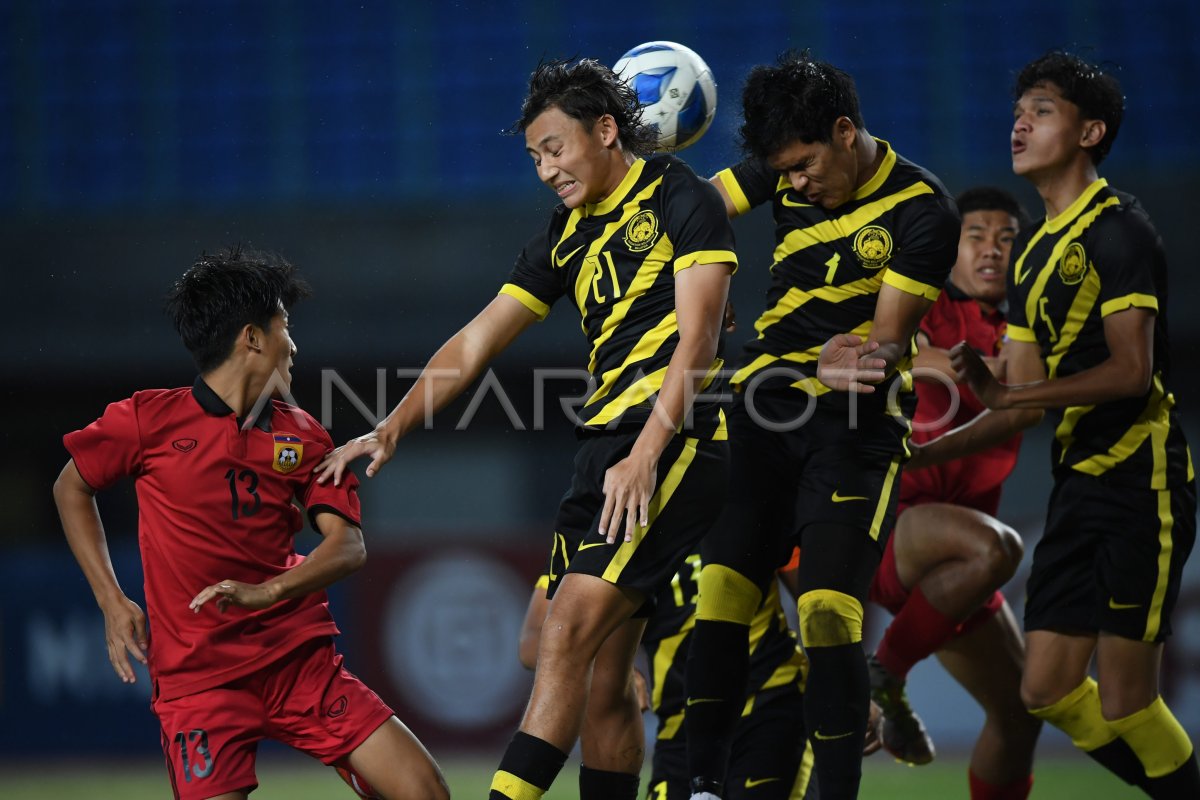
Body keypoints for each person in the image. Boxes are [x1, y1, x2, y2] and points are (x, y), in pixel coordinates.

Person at [315, 57, 736, 800]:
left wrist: (644, 455)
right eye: (534, 156)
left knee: (569, 627)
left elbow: (698, 343)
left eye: (555, 148)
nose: (545, 169)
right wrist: (393, 426)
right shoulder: (564, 237)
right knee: (581, 663)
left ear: (606, 131)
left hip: (673, 438)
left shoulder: (680, 196)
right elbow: (477, 341)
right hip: (603, 448)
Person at [52, 249, 448, 800]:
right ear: (252, 338)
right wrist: (111, 600)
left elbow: (349, 546)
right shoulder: (147, 420)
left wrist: (271, 592)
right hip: (198, 679)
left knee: (425, 792)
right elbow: (71, 486)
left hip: (297, 663)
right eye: (285, 324)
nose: (295, 344)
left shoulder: (305, 434)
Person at [683, 51, 960, 800]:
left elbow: (882, 348)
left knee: (831, 609)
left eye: (805, 167)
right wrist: (708, 278)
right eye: (785, 173)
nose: (796, 184)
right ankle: (696, 786)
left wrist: (844, 364)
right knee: (722, 599)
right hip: (766, 407)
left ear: (845, 132)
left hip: (856, 426)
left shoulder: (923, 212)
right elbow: (699, 209)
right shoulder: (784, 165)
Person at [926, 51, 1198, 797]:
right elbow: (1016, 394)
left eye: (1042, 110)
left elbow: (1131, 372)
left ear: (1090, 131)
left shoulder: (1120, 233)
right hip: (1077, 489)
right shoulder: (1035, 253)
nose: (1020, 122)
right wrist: (918, 457)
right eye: (1019, 110)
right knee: (1042, 691)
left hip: (1142, 485)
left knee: (1125, 699)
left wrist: (1016, 398)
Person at [864, 187, 1043, 800]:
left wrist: (1014, 379)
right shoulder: (922, 303)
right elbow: (908, 357)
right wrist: (995, 374)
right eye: (976, 236)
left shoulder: (1026, 326)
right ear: (952, 248)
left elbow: (1028, 399)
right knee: (997, 550)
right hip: (898, 528)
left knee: (1021, 713)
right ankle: (883, 672)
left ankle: (883, 676)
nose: (992, 249)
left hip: (951, 566)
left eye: (1005, 238)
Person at [518, 558, 823, 800]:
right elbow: (535, 639)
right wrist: (608, 668)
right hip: (680, 731)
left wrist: (844, 683)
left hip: (768, 708)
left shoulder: (740, 496)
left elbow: (817, 603)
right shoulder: (613, 523)